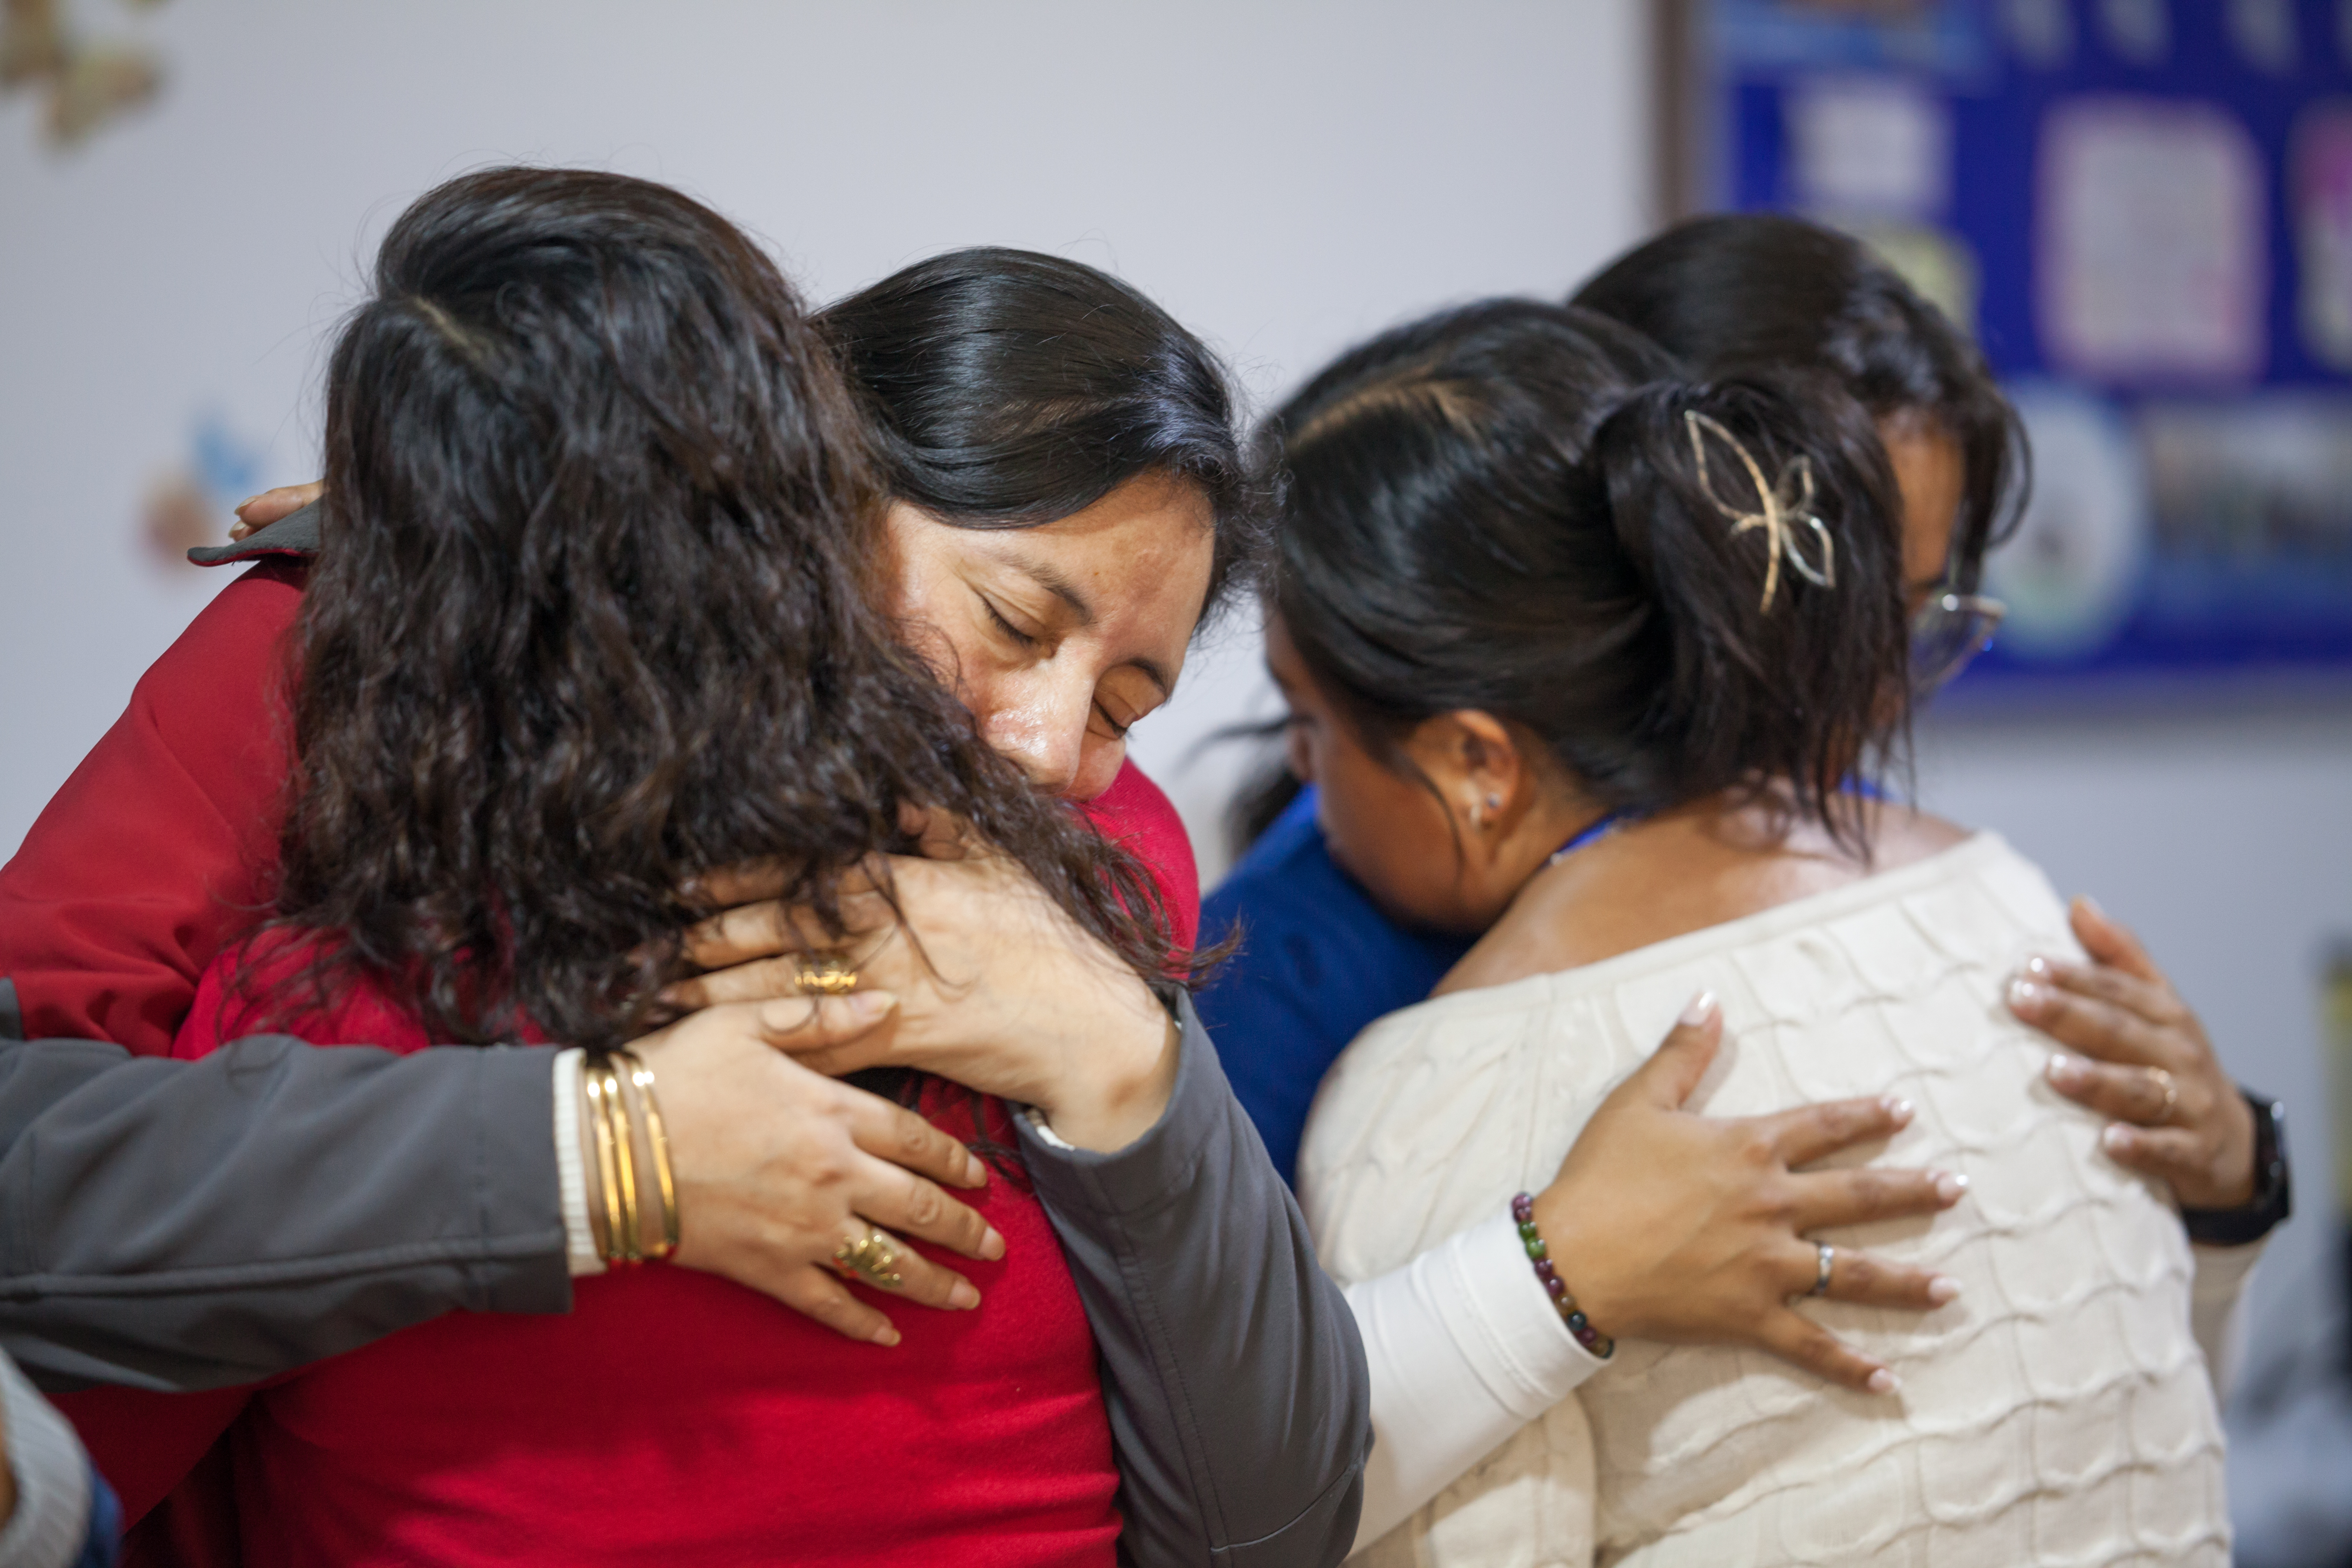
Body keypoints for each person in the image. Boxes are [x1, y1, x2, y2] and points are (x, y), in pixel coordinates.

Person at [1280, 297, 2231, 1562]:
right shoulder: (2007, 894)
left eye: (1308, 726)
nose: (1301, 783)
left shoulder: (1446, 1095)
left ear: (1476, 763)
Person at [1201, 211, 2283, 1286]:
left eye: (1914, 619)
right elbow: (1260, 1431)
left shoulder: (1852, 860)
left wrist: (2234, 1177)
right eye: (1824, 610)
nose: (1870, 690)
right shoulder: (1285, 978)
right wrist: (1551, 1280)